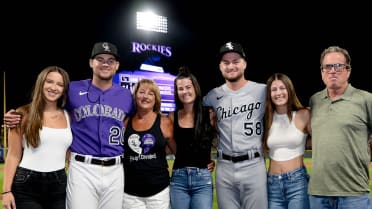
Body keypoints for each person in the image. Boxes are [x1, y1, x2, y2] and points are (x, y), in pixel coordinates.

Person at [3, 41, 134, 209]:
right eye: (100, 59)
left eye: (110, 60)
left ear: (117, 65)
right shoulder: (73, 89)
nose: (105, 63)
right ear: (91, 62)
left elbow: (139, 118)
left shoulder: (126, 96)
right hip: (81, 169)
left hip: (115, 168)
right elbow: (43, 103)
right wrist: (15, 115)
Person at [202, 41, 268, 209]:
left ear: (244, 64)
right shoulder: (212, 96)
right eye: (226, 62)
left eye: (236, 61)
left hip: (254, 165)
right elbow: (196, 126)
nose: (231, 66)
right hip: (224, 167)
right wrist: (202, 157)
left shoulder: (263, 91)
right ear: (220, 66)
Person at [308, 46, 372, 209]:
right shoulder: (315, 100)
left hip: (353, 193)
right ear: (322, 72)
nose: (332, 71)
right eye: (327, 67)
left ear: (348, 70)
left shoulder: (365, 99)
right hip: (318, 193)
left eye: (338, 66)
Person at [2, 66, 72, 209]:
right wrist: (6, 191)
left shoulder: (68, 116)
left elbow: (67, 152)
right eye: (49, 82)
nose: (54, 87)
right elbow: (13, 154)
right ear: (41, 83)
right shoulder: (22, 114)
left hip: (58, 184)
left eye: (60, 84)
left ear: (64, 89)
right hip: (26, 184)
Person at [122, 78, 176, 209]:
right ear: (135, 96)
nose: (145, 96)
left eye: (151, 93)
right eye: (141, 92)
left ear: (156, 99)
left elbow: (178, 152)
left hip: (159, 192)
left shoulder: (165, 122)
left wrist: (201, 162)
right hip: (130, 194)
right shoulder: (125, 122)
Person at [168, 66, 217, 209]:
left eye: (188, 87)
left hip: (203, 179)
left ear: (195, 88)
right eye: (180, 88)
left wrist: (214, 158)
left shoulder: (210, 114)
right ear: (176, 92)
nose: (185, 91)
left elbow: (228, 138)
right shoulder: (172, 117)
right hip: (178, 180)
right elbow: (172, 148)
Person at [263, 73, 311, 209]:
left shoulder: (304, 115)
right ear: (269, 94)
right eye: (274, 89)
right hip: (272, 184)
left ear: (289, 90)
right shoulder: (266, 119)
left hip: (297, 183)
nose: (278, 93)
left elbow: (321, 140)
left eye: (282, 88)